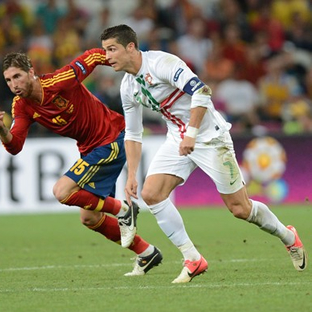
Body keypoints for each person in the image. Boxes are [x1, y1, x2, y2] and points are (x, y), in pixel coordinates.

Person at [99, 24, 307, 283]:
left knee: (240, 209)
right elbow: (133, 133)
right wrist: (131, 175)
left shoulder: (162, 63)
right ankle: (193, 258)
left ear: (130, 47)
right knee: (152, 193)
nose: (107, 56)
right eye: (105, 50)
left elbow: (201, 91)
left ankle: (288, 237)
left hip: (210, 137)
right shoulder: (128, 86)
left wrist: (192, 133)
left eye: (112, 49)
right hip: (178, 138)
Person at [0, 50, 162, 276]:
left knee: (62, 191)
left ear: (31, 72)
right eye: (9, 80)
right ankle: (146, 252)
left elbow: (92, 56)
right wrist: (2, 129)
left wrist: (133, 65)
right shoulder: (21, 105)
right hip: (91, 149)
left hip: (112, 137)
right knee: (90, 218)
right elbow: (15, 146)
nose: (14, 84)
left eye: (18, 76)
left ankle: (123, 210)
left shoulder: (58, 81)